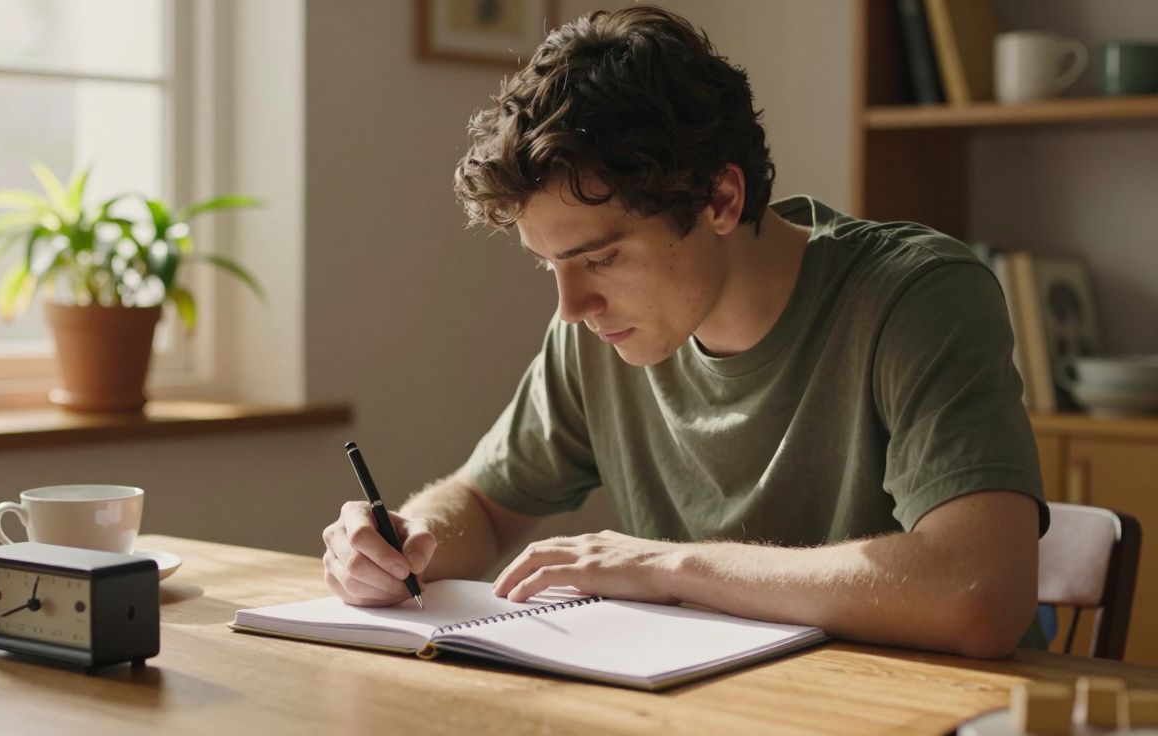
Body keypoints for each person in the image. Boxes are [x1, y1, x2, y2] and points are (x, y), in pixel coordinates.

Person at [321, 6, 1046, 659]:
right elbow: (481, 504)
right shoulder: (592, 334)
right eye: (549, 266)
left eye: (600, 257)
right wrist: (400, 543)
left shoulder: (914, 297)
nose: (572, 306)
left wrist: (669, 567)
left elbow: (977, 593)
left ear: (721, 198)